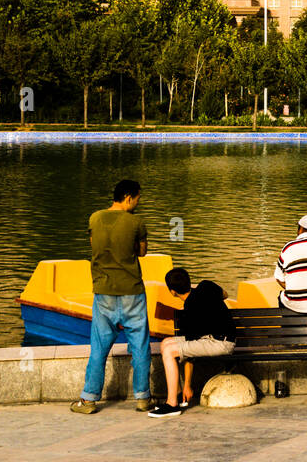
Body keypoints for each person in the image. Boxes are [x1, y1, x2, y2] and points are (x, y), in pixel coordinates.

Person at [71, 179, 152, 414]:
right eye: (137, 198)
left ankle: (88, 399)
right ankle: (143, 398)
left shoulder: (95, 218)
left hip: (104, 291)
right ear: (128, 197)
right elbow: (142, 252)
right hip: (132, 291)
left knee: (98, 347)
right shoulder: (136, 221)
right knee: (140, 346)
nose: (138, 202)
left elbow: (94, 245)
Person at [148, 267, 237, 418]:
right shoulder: (206, 286)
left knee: (170, 351)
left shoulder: (188, 311)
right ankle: (176, 394)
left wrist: (188, 385)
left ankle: (172, 404)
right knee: (166, 343)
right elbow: (225, 294)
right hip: (218, 339)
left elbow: (189, 353)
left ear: (173, 292)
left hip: (220, 343)